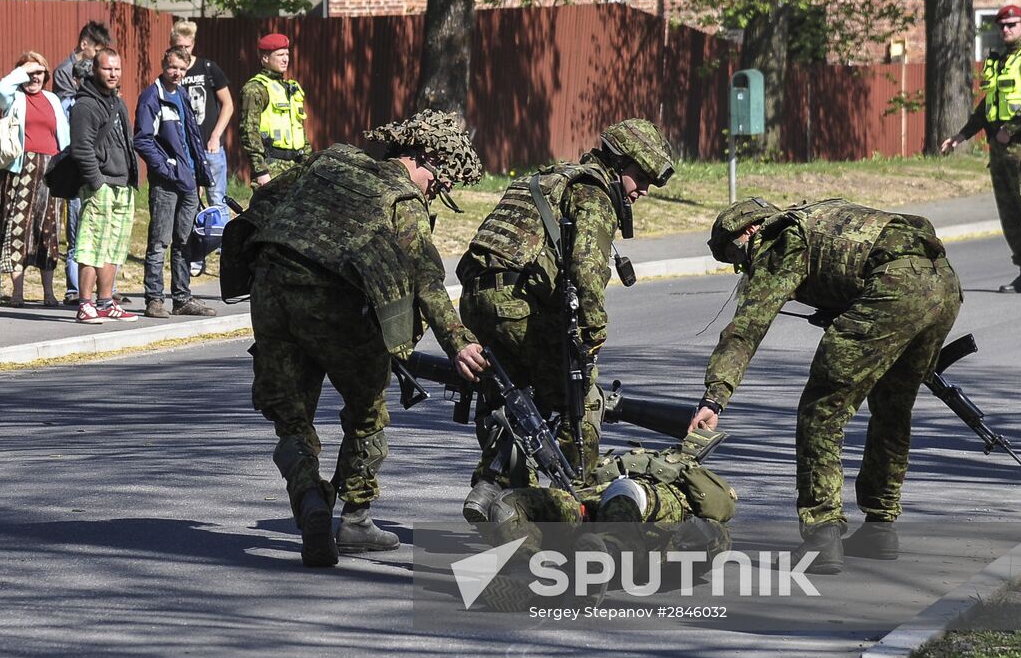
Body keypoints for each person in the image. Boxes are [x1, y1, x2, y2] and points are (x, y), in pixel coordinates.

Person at [238, 109, 488, 567]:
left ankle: (310, 498)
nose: (435, 191)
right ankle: (355, 519)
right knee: (367, 411)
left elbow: (264, 205)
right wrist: (459, 342)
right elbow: (427, 281)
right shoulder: (403, 200)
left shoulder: (331, 160)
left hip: (272, 291)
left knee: (292, 419)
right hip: (335, 306)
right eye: (439, 182)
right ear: (425, 158)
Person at [690, 197, 962, 574]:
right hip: (942, 281)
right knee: (893, 408)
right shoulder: (816, 220)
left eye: (735, 257)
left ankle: (822, 536)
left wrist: (714, 397)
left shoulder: (778, 240)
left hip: (892, 287)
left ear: (748, 231)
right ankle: (880, 527)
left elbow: (746, 329)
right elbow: (856, 261)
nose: (741, 267)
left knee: (821, 412)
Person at [456, 118, 676, 521]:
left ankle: (494, 492)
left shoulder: (550, 179)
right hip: (519, 306)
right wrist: (591, 343)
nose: (644, 190)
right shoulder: (593, 192)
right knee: (581, 399)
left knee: (511, 399)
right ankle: (574, 503)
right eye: (642, 178)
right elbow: (586, 271)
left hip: (476, 301)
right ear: (619, 163)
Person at [479, 436, 737, 610]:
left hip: (647, 514)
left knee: (622, 495)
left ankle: (592, 569)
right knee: (509, 503)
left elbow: (718, 509)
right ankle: (528, 571)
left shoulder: (687, 486)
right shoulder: (603, 464)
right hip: (588, 506)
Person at [940, 4, 1021, 295]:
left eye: (1011, 24)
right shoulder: (1001, 60)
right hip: (999, 149)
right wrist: (961, 135)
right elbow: (988, 106)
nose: (1006, 29)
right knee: (1008, 214)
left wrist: (1010, 129)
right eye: (1002, 26)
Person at [134, 46, 214, 319]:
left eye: (182, 68)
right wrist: (167, 168)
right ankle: (154, 299)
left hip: (188, 181)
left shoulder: (182, 95)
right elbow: (143, 139)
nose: (177, 73)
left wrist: (198, 175)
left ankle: (182, 298)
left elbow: (192, 137)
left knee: (184, 241)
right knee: (160, 241)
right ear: (163, 65)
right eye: (172, 67)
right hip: (166, 183)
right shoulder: (152, 97)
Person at [0, 52, 71, 308]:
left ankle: (49, 293)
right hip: (19, 170)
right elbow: (1, 88)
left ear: (46, 75)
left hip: (50, 170)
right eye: (29, 72)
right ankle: (17, 293)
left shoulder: (52, 99)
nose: (34, 77)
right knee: (17, 227)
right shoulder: (13, 97)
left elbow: (64, 135)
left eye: (39, 72)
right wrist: (22, 71)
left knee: (48, 229)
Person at [69, 49, 138, 324]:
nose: (113, 74)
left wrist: (131, 178)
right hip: (100, 185)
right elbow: (81, 149)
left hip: (122, 184)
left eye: (117, 69)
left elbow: (127, 141)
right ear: (95, 70)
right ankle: (85, 304)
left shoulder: (118, 103)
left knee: (113, 248)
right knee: (91, 246)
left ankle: (106, 302)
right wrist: (96, 182)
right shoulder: (85, 106)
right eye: (107, 69)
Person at [53, 19, 114, 306]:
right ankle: (74, 288)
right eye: (97, 49)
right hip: (74, 156)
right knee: (77, 227)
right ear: (85, 44)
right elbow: (70, 111)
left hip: (98, 157)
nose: (99, 56)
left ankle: (104, 288)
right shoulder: (64, 72)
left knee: (100, 228)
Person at [170, 20, 234, 211]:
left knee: (217, 201)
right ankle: (194, 232)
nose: (183, 51)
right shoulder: (173, 73)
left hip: (210, 147)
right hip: (185, 149)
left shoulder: (208, 68)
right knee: (189, 202)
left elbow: (228, 104)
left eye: (187, 46)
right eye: (178, 47)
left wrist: (215, 136)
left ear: (193, 44)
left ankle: (220, 231)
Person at [239, 32, 309, 188]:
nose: (285, 59)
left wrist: (308, 163)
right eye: (280, 55)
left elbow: (298, 129)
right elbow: (249, 131)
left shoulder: (289, 88)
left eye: (287, 54)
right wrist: (260, 171)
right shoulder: (255, 89)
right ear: (265, 58)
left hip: (297, 166)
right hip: (272, 166)